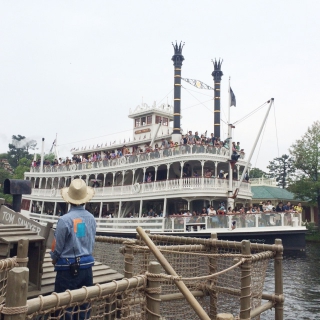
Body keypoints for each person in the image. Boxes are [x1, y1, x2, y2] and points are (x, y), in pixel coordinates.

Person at [50, 179, 96, 320]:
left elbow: (57, 247)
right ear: (85, 200)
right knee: (84, 306)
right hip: (87, 267)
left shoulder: (64, 220)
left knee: (64, 306)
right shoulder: (91, 218)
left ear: (69, 200)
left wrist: (54, 258)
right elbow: (86, 239)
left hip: (68, 269)